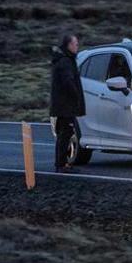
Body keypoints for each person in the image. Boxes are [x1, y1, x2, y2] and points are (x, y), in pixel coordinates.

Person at [48, 32, 86, 172]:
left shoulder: (63, 60)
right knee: (66, 134)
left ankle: (60, 163)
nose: (77, 47)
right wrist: (75, 96)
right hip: (65, 106)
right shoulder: (66, 62)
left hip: (61, 105)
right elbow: (68, 81)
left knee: (63, 134)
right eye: (76, 44)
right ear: (69, 45)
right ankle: (62, 164)